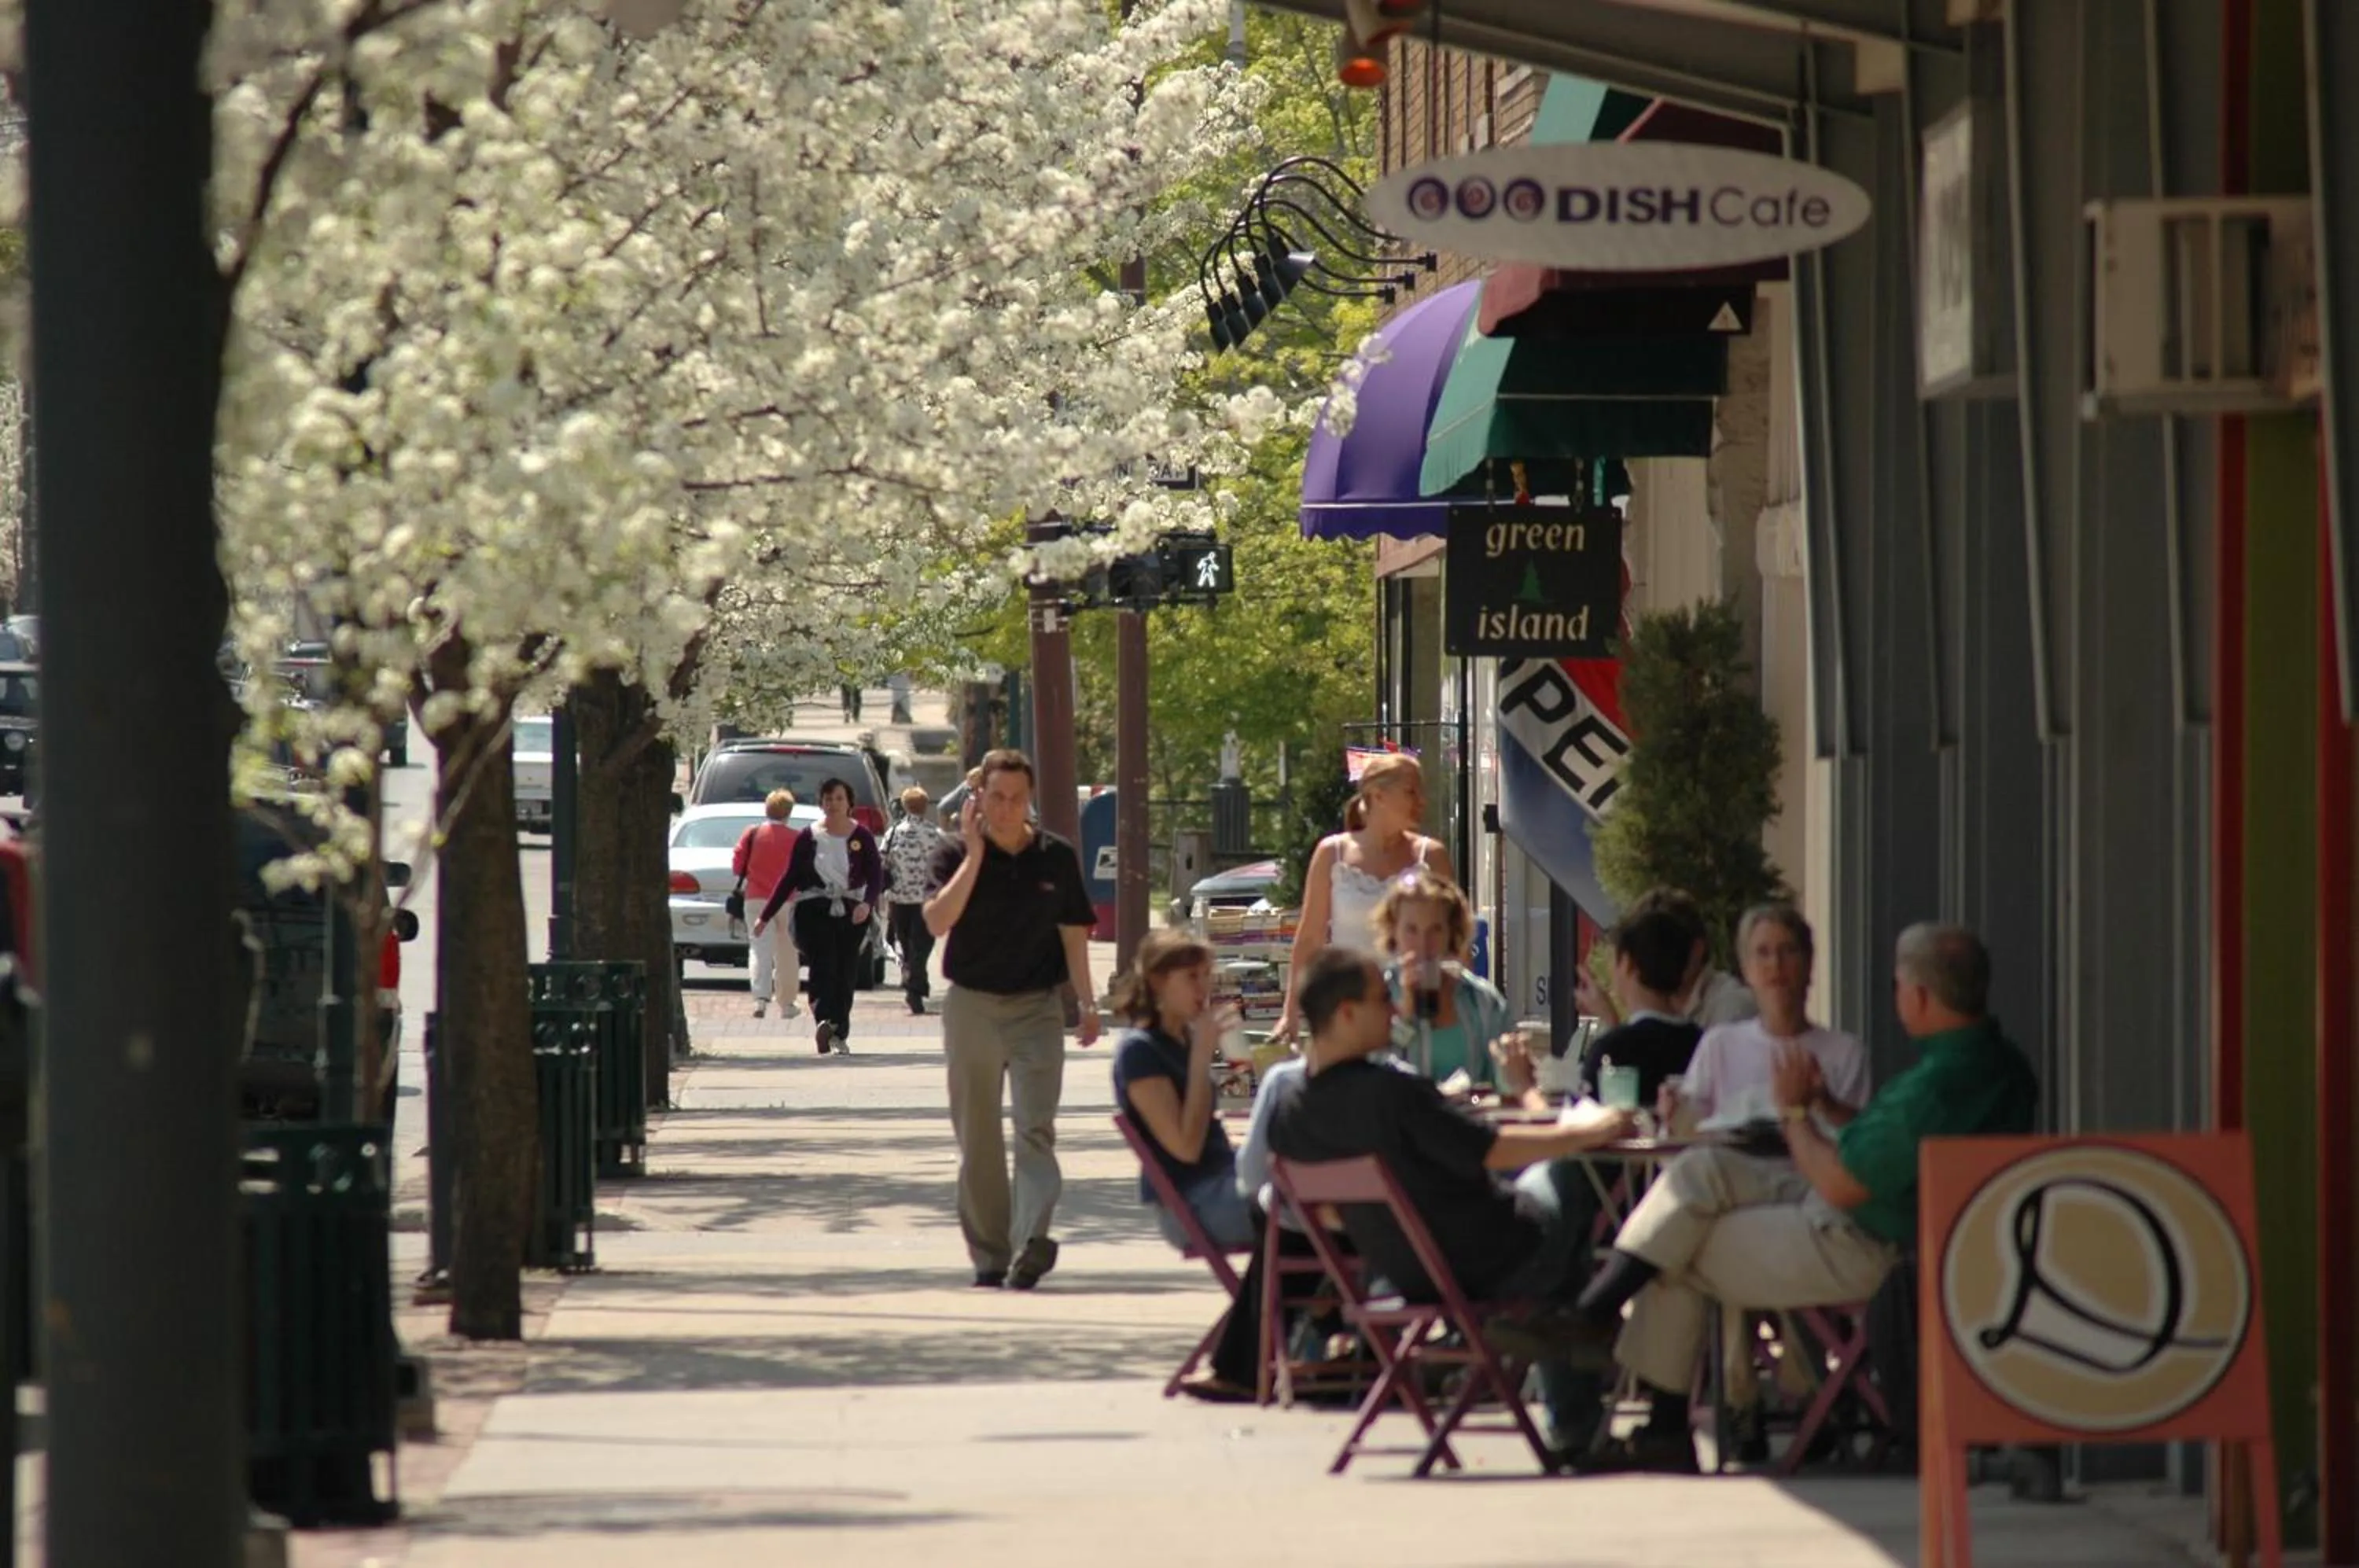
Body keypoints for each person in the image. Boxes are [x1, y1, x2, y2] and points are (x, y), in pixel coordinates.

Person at [1550, 923, 2039, 1471]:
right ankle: (1605, 1329)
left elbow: (1839, 1182)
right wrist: (1825, 1106)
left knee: (1676, 1245)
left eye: (1898, 986)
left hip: (1865, 1241)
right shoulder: (1999, 1067)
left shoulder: (1933, 1087)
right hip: (1926, 1234)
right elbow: (1877, 1146)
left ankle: (1648, 1399)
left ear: (1920, 996)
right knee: (1700, 1182)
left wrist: (1793, 1112)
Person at [1267, 947, 1639, 1456]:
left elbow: (1329, 1215)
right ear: (1346, 1014)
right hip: (1504, 1254)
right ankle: (1577, 1357)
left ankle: (1561, 1334)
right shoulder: (1392, 1093)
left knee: (1553, 1215)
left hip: (1406, 1275)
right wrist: (1588, 1131)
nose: (1396, 1009)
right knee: (1570, 1173)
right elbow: (1494, 1149)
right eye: (1382, 999)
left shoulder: (1288, 1112)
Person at [925, 749, 1101, 1290]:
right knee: (978, 1137)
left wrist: (1088, 1003)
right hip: (972, 1006)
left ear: (1030, 800)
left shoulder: (1055, 856)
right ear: (978, 798)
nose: (1006, 809)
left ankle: (1030, 1243)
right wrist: (976, 856)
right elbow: (936, 921)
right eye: (997, 798)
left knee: (1035, 1129)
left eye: (1017, 799)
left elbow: (1074, 934)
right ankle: (990, 1255)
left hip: (1036, 1008)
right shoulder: (954, 851)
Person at [1275, 753, 1454, 1040]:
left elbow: (1455, 941)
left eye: (1421, 792)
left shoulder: (1431, 856)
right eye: (1411, 792)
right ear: (1378, 795)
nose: (1422, 801)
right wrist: (1290, 1013)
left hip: (1418, 1008)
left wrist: (1463, 1010)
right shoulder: (1332, 854)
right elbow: (1310, 938)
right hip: (1348, 1009)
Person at [1662, 904, 1870, 1133]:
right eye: (1763, 953)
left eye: (1788, 951)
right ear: (1746, 970)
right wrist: (1674, 1112)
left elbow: (1862, 1140)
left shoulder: (1845, 1053)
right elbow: (1687, 1130)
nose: (1776, 965)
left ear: (1809, 964)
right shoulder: (1718, 1046)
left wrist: (1824, 1101)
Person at [755, 778, 883, 1056]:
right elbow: (789, 878)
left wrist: (867, 904)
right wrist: (765, 916)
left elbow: (876, 876)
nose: (833, 804)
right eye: (828, 799)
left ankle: (839, 1032)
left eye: (839, 798)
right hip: (813, 910)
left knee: (845, 971)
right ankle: (824, 1020)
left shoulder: (861, 836)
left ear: (849, 803)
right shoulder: (808, 836)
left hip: (851, 911)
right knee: (823, 964)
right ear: (821, 803)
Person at [1371, 869, 1511, 1088]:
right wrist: (1405, 1016)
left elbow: (1506, 1086)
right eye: (1411, 930)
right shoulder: (1375, 997)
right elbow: (1368, 1078)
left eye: (1435, 930)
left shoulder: (1482, 1001)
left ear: (1451, 933)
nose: (1423, 944)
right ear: (1393, 931)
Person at [1573, 907, 1706, 1110]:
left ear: (1627, 963)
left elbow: (1578, 1121)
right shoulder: (1704, 1043)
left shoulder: (1612, 1052)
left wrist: (1526, 1086)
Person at [1575, 887, 1757, 1032]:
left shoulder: (1733, 1009)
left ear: (1696, 950)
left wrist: (1614, 1027)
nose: (1654, 959)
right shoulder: (1662, 1007)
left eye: (1666, 946)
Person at [732, 790, 803, 1021]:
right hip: (787, 901)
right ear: (789, 812)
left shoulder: (752, 834)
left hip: (756, 898)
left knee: (759, 949)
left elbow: (737, 866)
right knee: (787, 952)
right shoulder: (796, 838)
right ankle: (787, 1004)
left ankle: (760, 999)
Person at [879, 786, 947, 1015]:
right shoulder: (935, 834)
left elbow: (883, 861)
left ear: (905, 806)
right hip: (926, 900)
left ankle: (912, 981)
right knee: (922, 945)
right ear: (925, 807)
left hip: (899, 900)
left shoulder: (893, 833)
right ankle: (915, 985)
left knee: (906, 943)